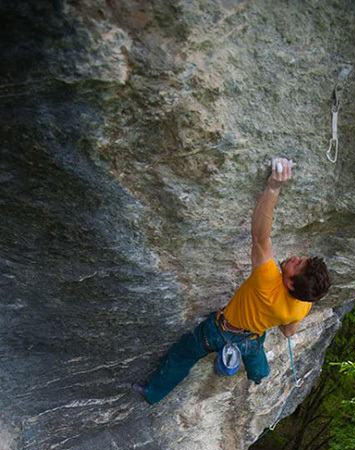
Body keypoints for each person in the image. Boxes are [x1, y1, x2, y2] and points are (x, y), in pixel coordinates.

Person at [133, 157, 331, 405]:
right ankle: (259, 375)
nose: (294, 257)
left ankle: (152, 393)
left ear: (291, 283)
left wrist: (273, 187)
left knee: (183, 354)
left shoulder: (268, 281)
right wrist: (282, 320)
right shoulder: (304, 303)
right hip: (251, 340)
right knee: (254, 354)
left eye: (297, 264)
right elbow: (289, 330)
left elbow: (260, 236)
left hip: (218, 332)